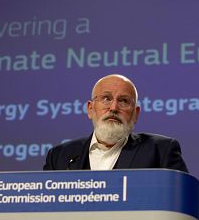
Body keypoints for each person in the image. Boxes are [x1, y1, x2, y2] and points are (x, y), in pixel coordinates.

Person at [43, 74, 188, 172]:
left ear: (136, 114)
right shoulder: (58, 157)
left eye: (124, 101)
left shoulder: (160, 151)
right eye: (106, 98)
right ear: (90, 109)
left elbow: (183, 203)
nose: (113, 108)